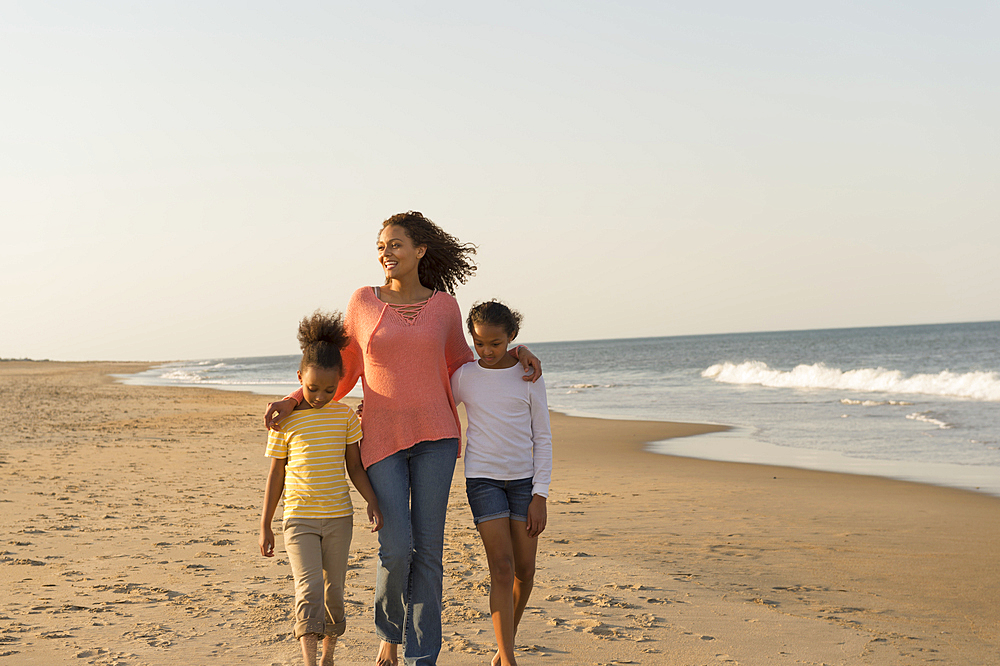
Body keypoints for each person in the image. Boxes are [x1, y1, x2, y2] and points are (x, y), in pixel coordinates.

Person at [263, 212, 542, 666]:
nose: (386, 253)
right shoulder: (363, 301)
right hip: (382, 437)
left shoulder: (446, 307)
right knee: (395, 546)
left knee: (428, 550)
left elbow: (466, 365)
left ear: (419, 251)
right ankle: (389, 634)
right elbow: (345, 369)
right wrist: (296, 398)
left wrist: (516, 353)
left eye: (395, 245)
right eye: (381, 246)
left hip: (437, 438)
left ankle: (423, 656)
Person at [259, 310, 384, 666]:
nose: (319, 395)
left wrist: (372, 501)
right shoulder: (286, 420)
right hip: (298, 519)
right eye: (312, 388)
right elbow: (276, 475)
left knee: (334, 593)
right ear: (300, 378)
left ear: (341, 383)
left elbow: (355, 467)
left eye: (329, 389)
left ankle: (329, 654)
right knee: (309, 588)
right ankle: (310, 661)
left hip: (338, 519)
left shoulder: (344, 416)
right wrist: (265, 524)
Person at [450, 301, 551, 666]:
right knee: (502, 567)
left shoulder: (529, 376)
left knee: (525, 571)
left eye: (495, 343)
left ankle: (505, 641)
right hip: (482, 481)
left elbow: (543, 437)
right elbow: (434, 402)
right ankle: (508, 658)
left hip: (525, 483)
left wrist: (540, 494)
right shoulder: (463, 376)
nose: (487, 351)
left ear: (512, 337)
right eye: (479, 344)